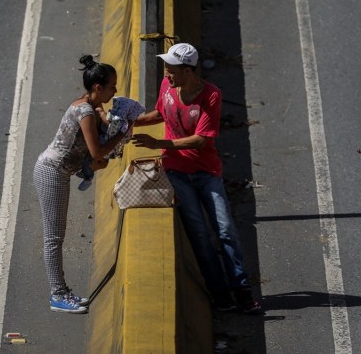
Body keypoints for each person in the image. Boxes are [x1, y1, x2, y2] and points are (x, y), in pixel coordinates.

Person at [132, 43, 261, 313]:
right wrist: (130, 123)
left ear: (188, 71)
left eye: (172, 70)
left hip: (206, 173)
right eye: (166, 68)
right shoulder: (168, 87)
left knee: (225, 230)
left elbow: (202, 140)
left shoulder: (210, 96)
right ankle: (220, 294)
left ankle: (241, 288)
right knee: (200, 235)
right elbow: (159, 112)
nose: (166, 74)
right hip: (177, 173)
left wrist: (159, 145)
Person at [33, 55, 129, 314]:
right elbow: (97, 153)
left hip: (59, 171)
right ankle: (58, 295)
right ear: (98, 88)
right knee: (53, 237)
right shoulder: (85, 111)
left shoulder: (89, 105)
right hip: (52, 172)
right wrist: (122, 134)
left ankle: (62, 291)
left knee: (56, 236)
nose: (115, 90)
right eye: (112, 86)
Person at [74, 96, 146, 190]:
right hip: (108, 149)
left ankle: (87, 178)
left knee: (89, 164)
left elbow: (109, 124)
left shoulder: (118, 120)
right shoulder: (125, 123)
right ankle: (86, 175)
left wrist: (101, 112)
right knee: (92, 164)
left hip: (104, 146)